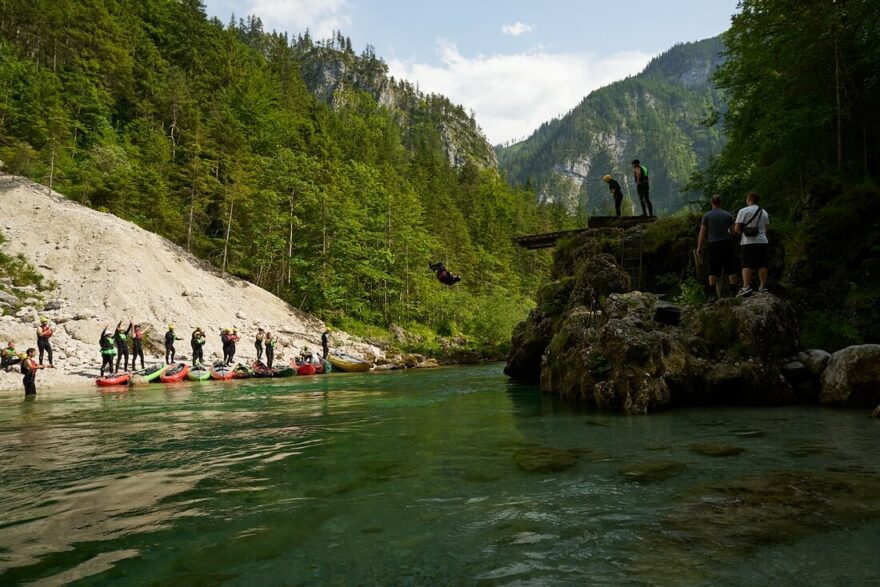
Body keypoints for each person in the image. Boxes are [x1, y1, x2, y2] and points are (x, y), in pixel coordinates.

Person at [696, 195, 739, 301]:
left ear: (712, 203)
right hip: (726, 243)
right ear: (721, 203)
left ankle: (712, 295)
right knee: (731, 268)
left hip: (713, 244)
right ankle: (733, 293)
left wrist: (699, 248)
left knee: (713, 269)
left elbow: (702, 233)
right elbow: (733, 232)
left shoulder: (707, 216)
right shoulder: (727, 215)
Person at [734, 192, 770, 296]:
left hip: (748, 242)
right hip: (762, 241)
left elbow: (736, 229)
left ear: (749, 199)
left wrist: (745, 232)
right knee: (762, 264)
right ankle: (763, 286)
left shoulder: (743, 211)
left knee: (746, 264)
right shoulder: (764, 212)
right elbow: (766, 228)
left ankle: (746, 287)